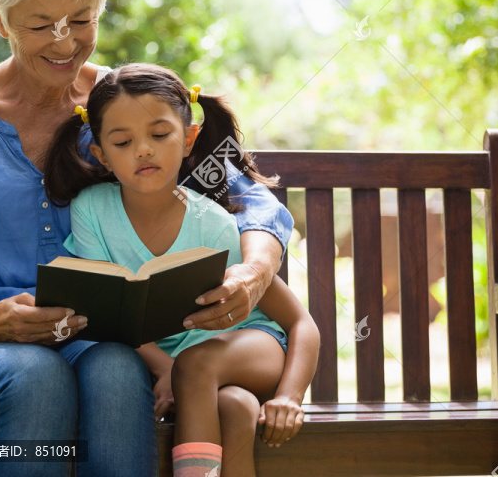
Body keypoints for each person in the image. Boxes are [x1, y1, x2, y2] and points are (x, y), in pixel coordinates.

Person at [0, 0, 293, 477]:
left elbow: (250, 198)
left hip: (91, 341)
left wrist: (254, 272)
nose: (64, 42)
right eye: (40, 25)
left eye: (81, 19)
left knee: (114, 370)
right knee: (35, 374)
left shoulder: (122, 107)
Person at [43, 63, 320, 477]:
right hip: (196, 377)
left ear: (188, 138)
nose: (143, 150)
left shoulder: (213, 223)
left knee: (195, 365)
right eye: (122, 141)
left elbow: (300, 322)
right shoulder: (92, 211)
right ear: (100, 152)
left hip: (252, 350)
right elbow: (107, 312)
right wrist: (163, 366)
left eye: (159, 135)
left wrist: (290, 398)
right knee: (235, 406)